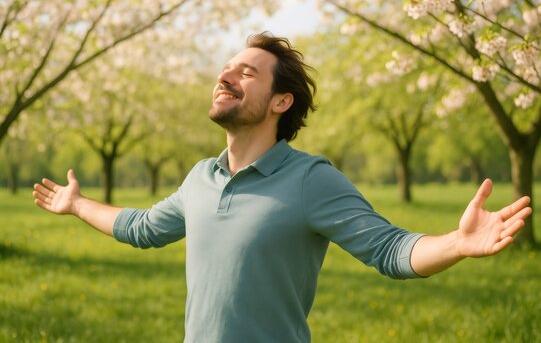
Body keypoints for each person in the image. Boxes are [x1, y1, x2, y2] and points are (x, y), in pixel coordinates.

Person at [33, 32, 531, 342]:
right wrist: (77, 205)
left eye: (246, 72)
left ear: (279, 102)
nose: (225, 75)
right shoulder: (200, 178)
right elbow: (140, 227)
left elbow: (390, 249)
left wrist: (458, 244)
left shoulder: (312, 180)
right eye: (226, 68)